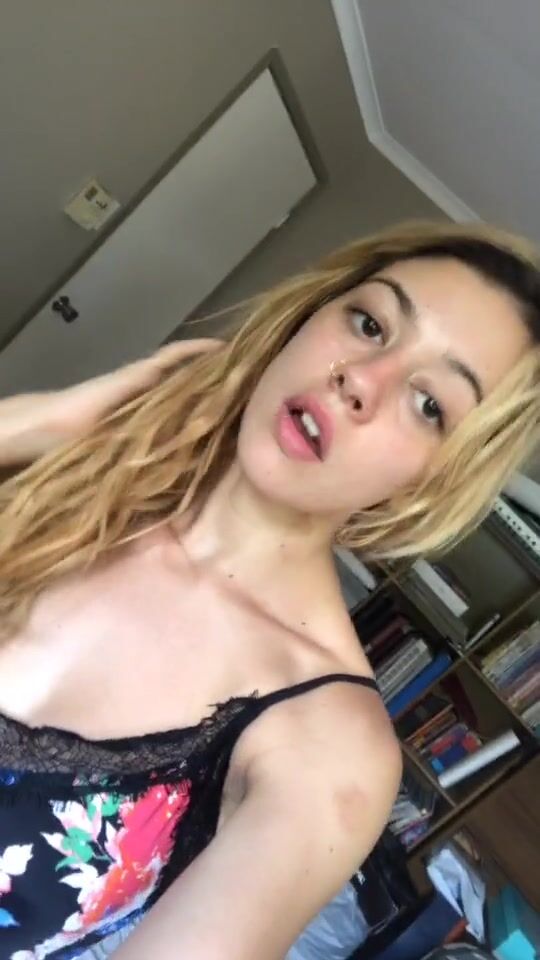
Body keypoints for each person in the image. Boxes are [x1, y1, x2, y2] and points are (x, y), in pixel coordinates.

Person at [0, 220, 538, 960]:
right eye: (370, 323)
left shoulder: (330, 739)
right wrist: (40, 422)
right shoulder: (67, 479)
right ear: (305, 317)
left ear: (438, 479)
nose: (362, 381)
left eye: (429, 405)